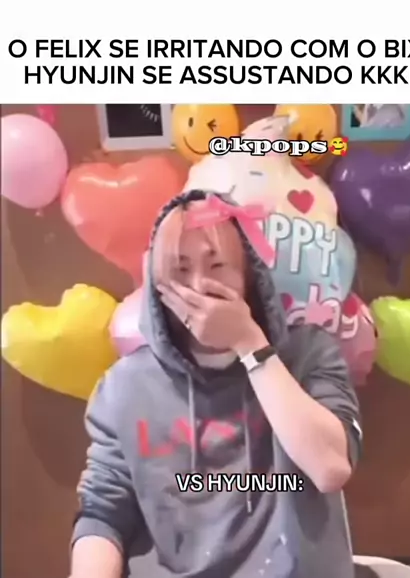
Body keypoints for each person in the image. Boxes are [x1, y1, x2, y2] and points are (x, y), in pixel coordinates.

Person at [70, 189, 362, 578]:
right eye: (180, 269)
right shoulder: (125, 387)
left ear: (248, 273)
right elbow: (103, 512)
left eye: (217, 264)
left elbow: (329, 468)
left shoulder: (309, 354)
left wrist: (248, 343)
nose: (199, 284)